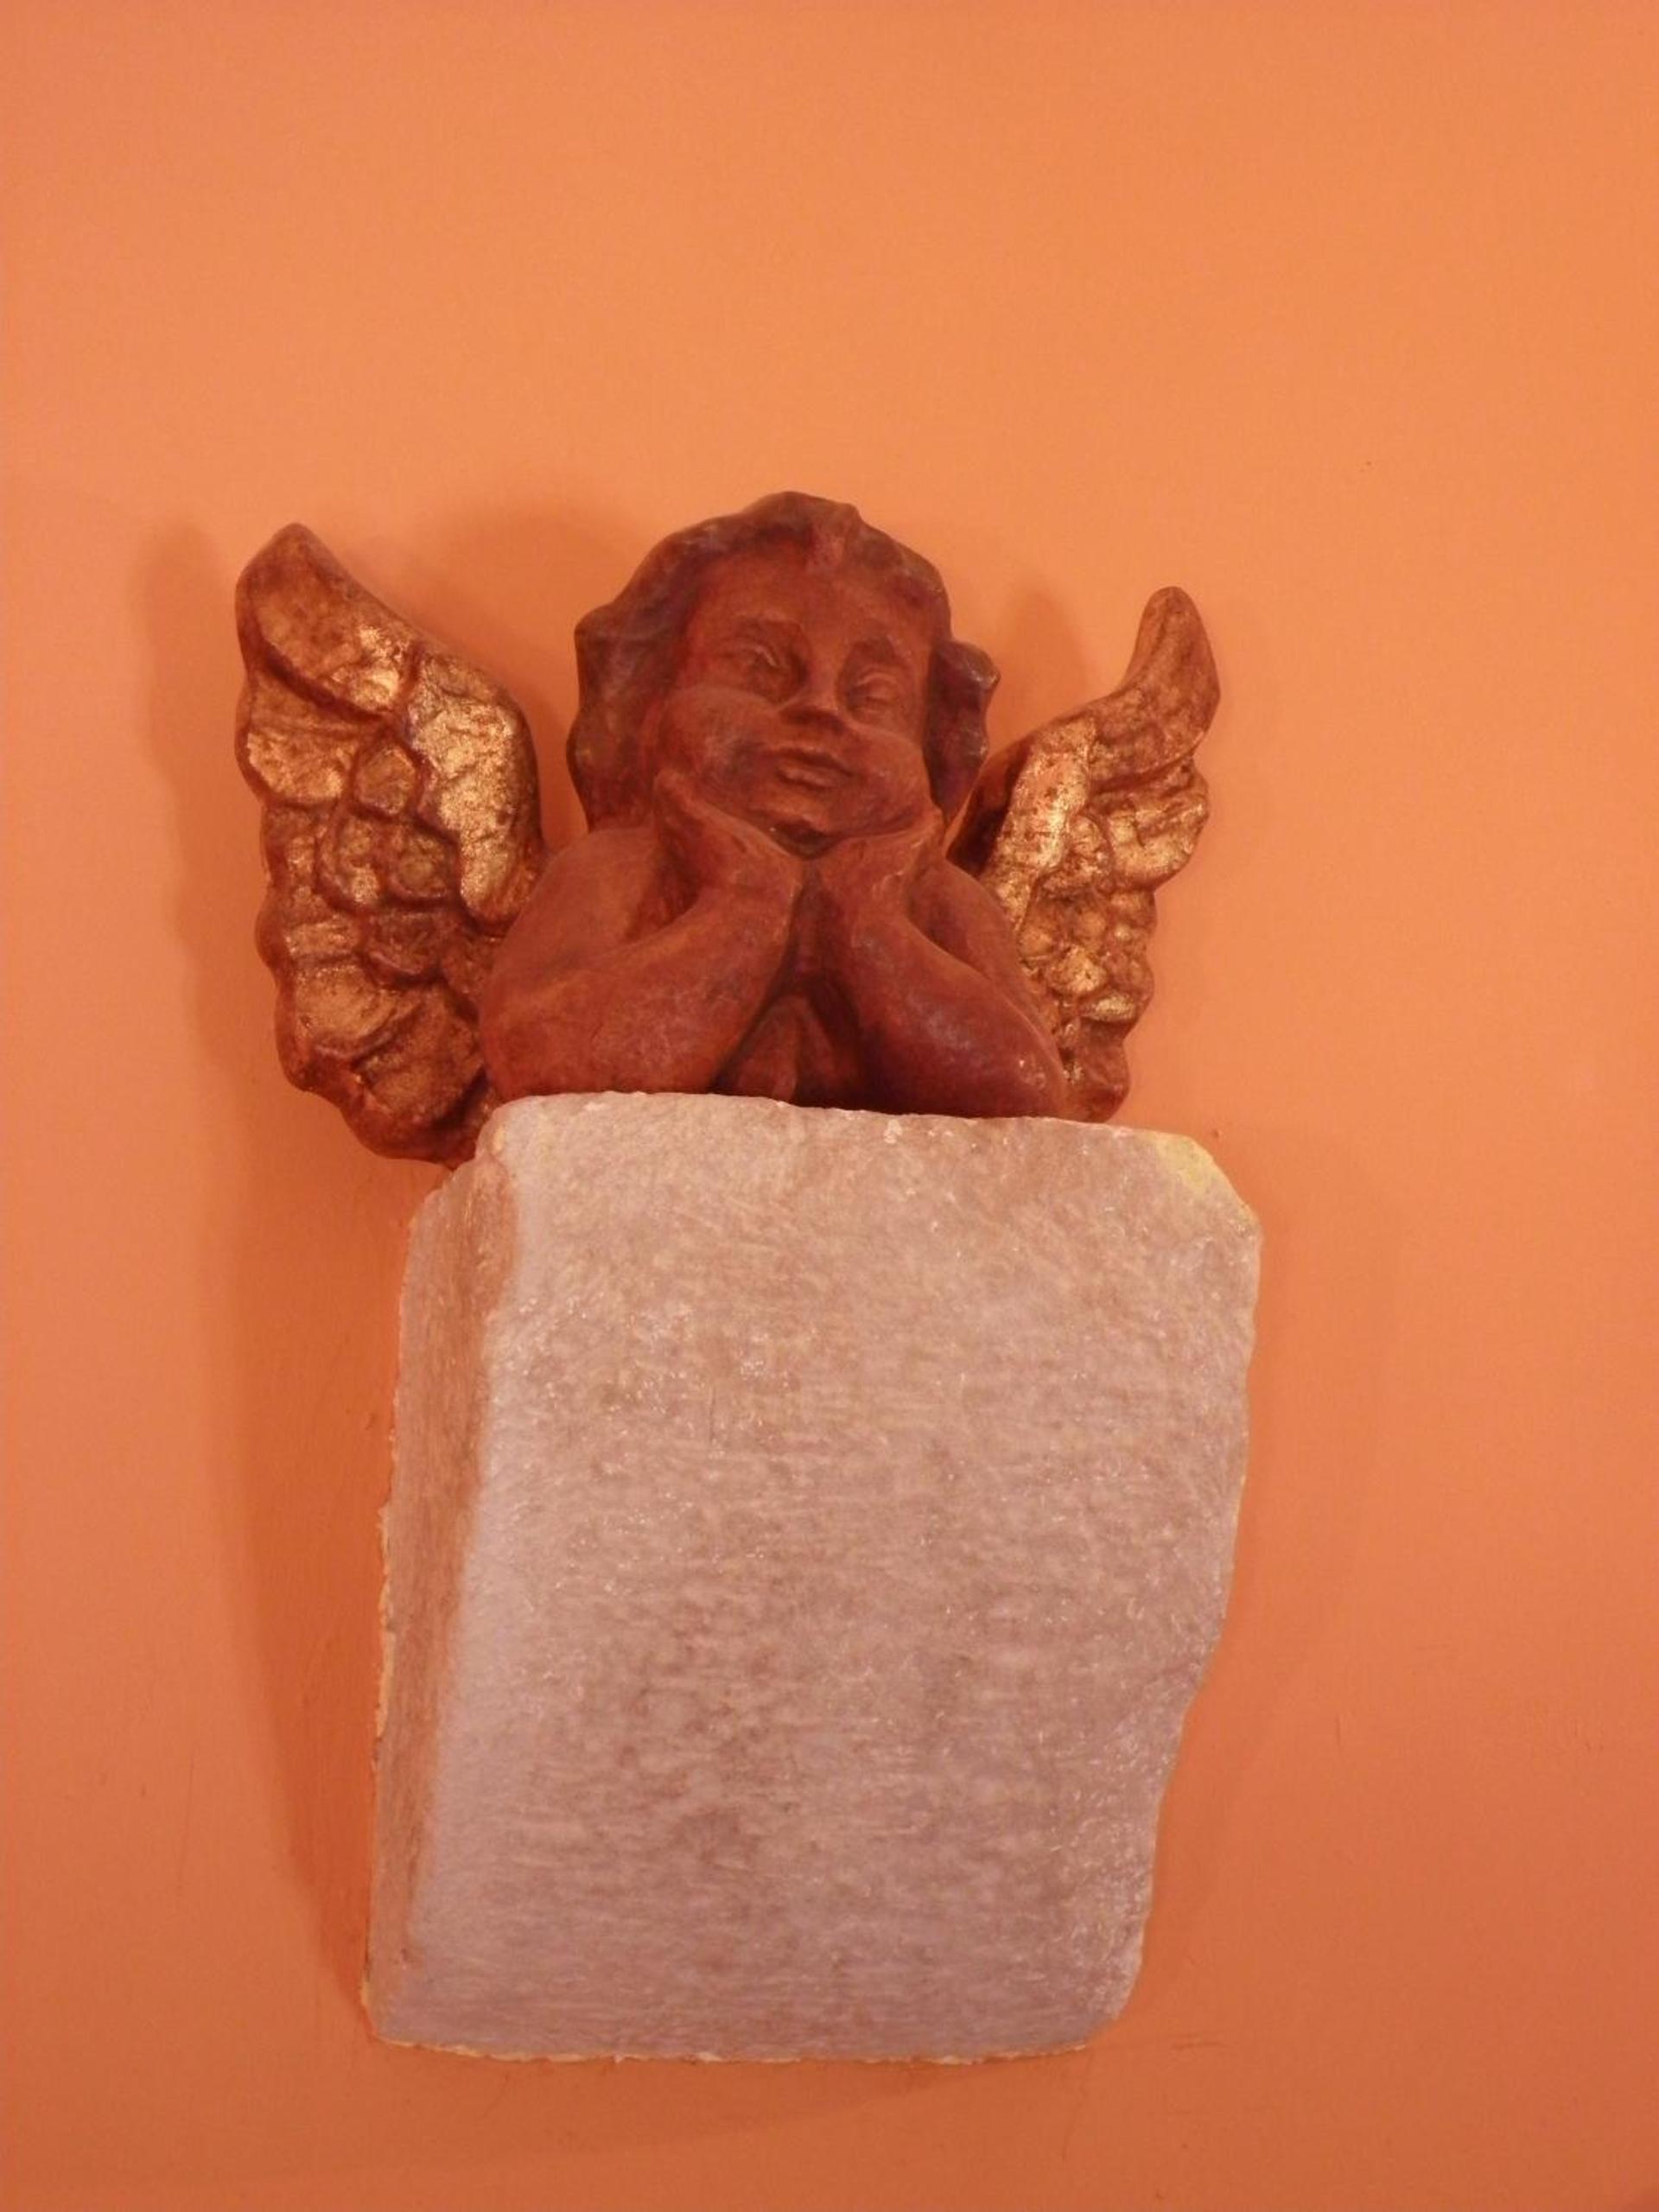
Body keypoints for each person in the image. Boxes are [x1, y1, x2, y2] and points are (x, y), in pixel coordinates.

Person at [480, 493, 1067, 1118]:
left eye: (872, 695)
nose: (821, 709)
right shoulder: (615, 871)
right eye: (758, 667)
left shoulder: (939, 902)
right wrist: (747, 905)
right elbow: (541, 1061)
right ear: (648, 705)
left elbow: (1023, 1086)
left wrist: (869, 924)